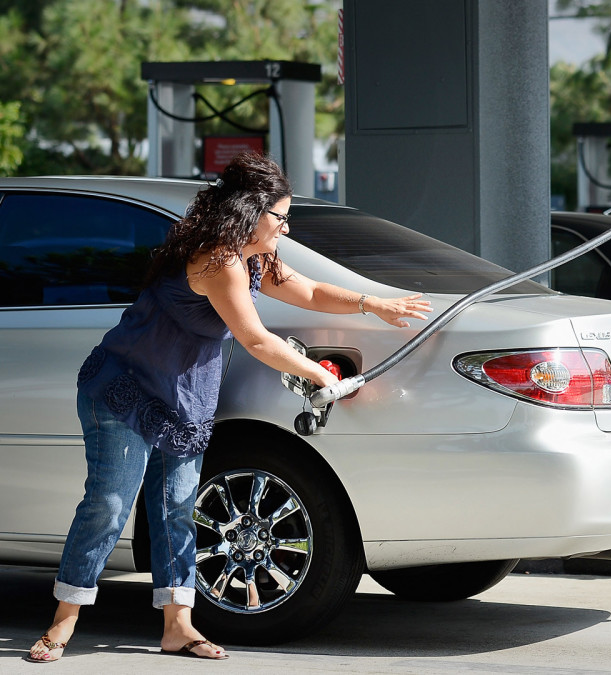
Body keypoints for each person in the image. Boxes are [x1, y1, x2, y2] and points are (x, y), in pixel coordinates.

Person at [26, 152, 433, 662]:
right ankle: (62, 623)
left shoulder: (255, 255)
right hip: (126, 389)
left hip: (183, 396)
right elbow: (256, 339)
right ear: (248, 212)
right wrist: (322, 375)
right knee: (108, 506)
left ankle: (178, 628)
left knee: (177, 509)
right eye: (280, 215)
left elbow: (306, 290)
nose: (286, 225)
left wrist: (372, 303)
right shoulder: (217, 260)